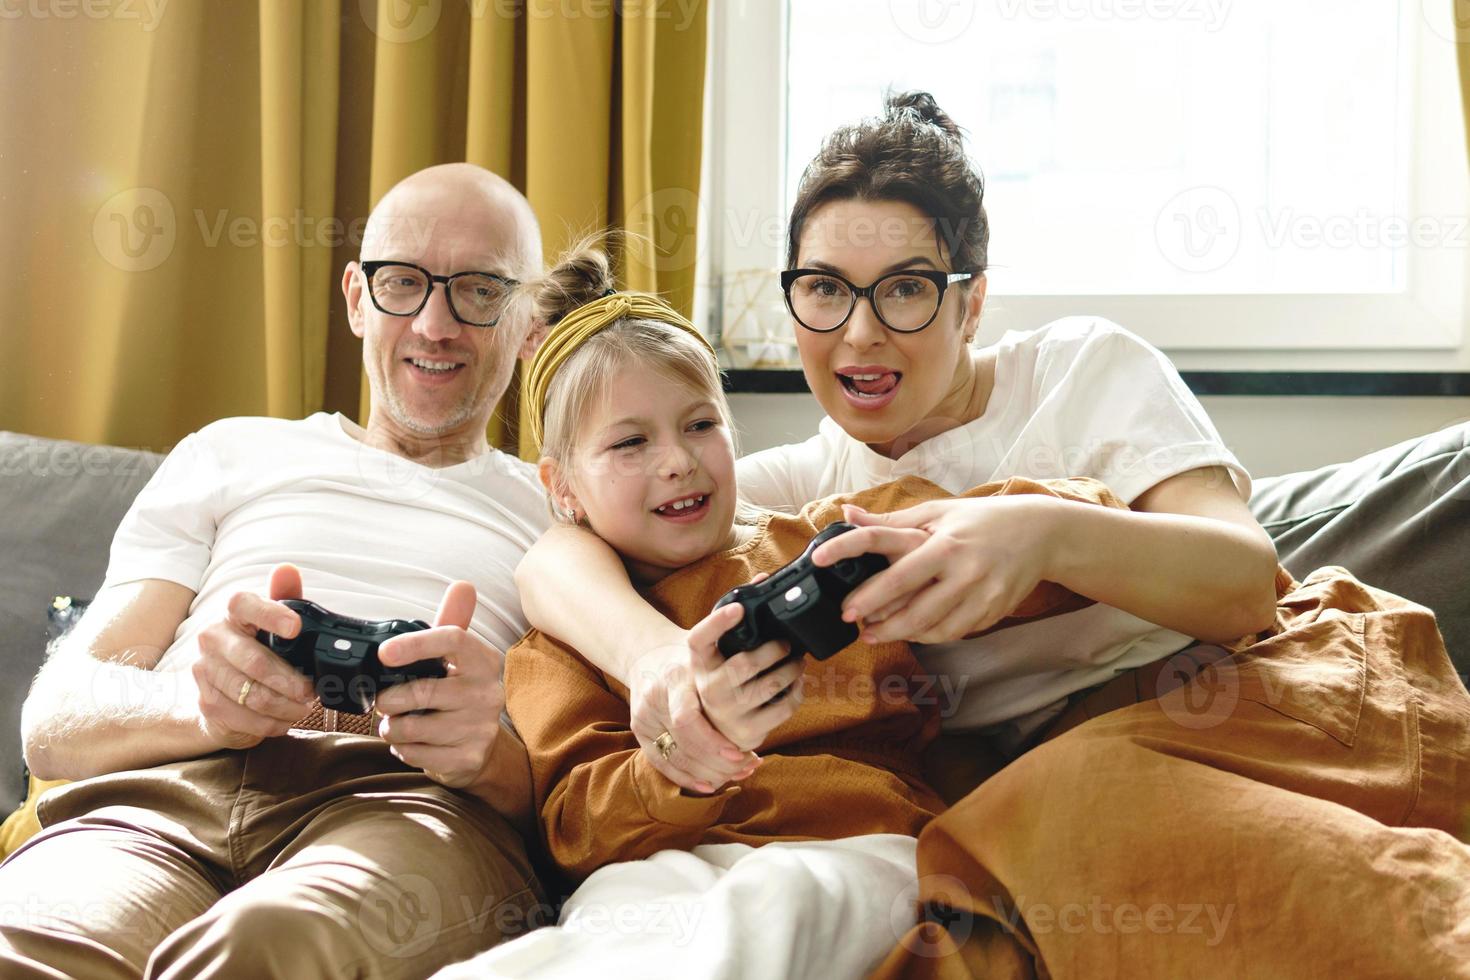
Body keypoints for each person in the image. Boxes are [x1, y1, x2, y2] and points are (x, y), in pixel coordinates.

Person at [512, 94, 1470, 976]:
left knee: (1076, 818)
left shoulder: (1078, 368)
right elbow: (554, 551)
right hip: (1043, 797)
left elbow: (1244, 581)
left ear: (972, 300)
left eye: (907, 290)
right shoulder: (814, 479)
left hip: (1243, 700)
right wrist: (654, 664)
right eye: (825, 289)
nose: (858, 335)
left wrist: (1041, 537)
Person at [438, 248, 1138, 980]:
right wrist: (685, 760)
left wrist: (1004, 540)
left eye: (700, 425)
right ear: (562, 488)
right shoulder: (557, 648)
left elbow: (1065, 523)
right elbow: (573, 830)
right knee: (573, 952)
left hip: (855, 845)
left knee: (774, 908)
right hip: (659, 866)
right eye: (630, 443)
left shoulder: (831, 537)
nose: (677, 460)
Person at [0, 163, 553, 978]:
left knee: (273, 946)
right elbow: (54, 722)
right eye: (403, 282)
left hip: (405, 808)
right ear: (357, 297)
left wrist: (494, 755)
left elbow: (601, 779)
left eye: (478, 291)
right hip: (157, 808)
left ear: (532, 323)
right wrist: (206, 708)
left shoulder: (560, 514)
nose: (435, 324)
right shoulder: (230, 452)